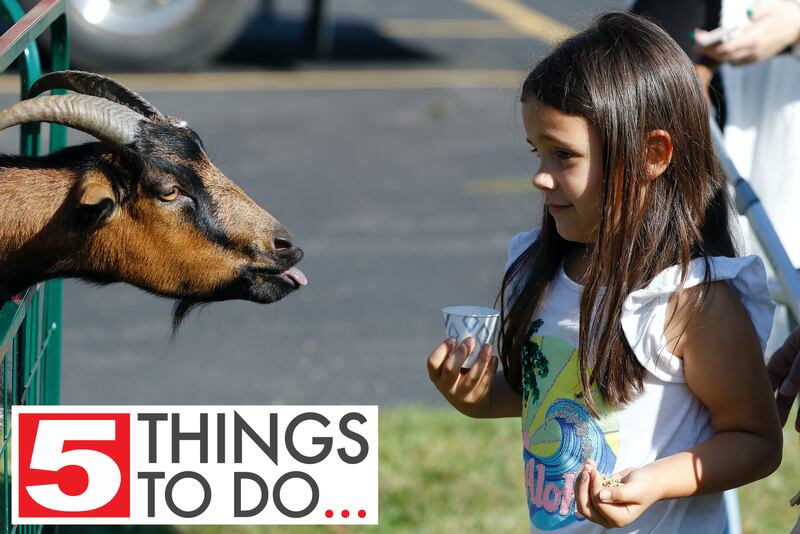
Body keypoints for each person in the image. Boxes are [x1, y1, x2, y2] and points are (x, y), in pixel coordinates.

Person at [426, 13, 783, 532]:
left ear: (652, 154)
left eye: (563, 155)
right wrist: (481, 397)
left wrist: (656, 481)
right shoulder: (538, 268)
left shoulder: (687, 299)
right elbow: (551, 396)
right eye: (537, 151)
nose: (539, 175)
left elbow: (755, 440)